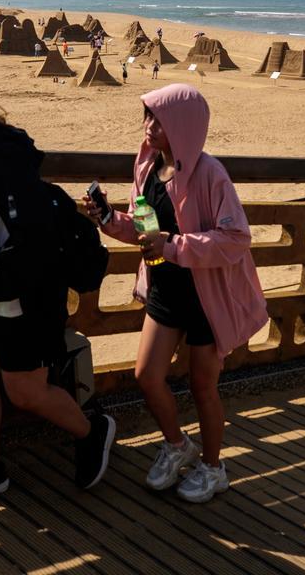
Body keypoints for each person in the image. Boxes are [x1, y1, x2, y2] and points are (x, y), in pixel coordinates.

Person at [0, 63, 116, 506]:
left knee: (25, 390)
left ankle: (93, 431)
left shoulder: (7, 156)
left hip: (19, 293)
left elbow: (34, 241)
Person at [84, 83, 267, 503]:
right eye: (146, 116)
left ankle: (213, 467)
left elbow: (237, 238)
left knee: (203, 387)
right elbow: (142, 227)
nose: (148, 126)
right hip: (165, 287)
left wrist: (174, 245)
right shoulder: (148, 167)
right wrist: (110, 219)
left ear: (182, 126)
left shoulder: (210, 174)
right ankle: (176, 445)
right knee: (147, 376)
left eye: (158, 119)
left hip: (206, 297)